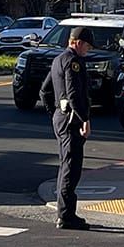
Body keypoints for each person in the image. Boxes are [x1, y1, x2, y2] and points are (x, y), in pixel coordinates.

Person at [39, 25, 92, 230]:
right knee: (72, 167)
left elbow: (44, 91)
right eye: (86, 45)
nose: (87, 49)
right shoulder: (73, 62)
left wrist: (53, 114)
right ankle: (66, 215)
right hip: (71, 120)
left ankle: (66, 212)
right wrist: (84, 119)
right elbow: (73, 94)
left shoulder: (57, 60)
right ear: (77, 43)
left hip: (61, 118)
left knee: (65, 164)